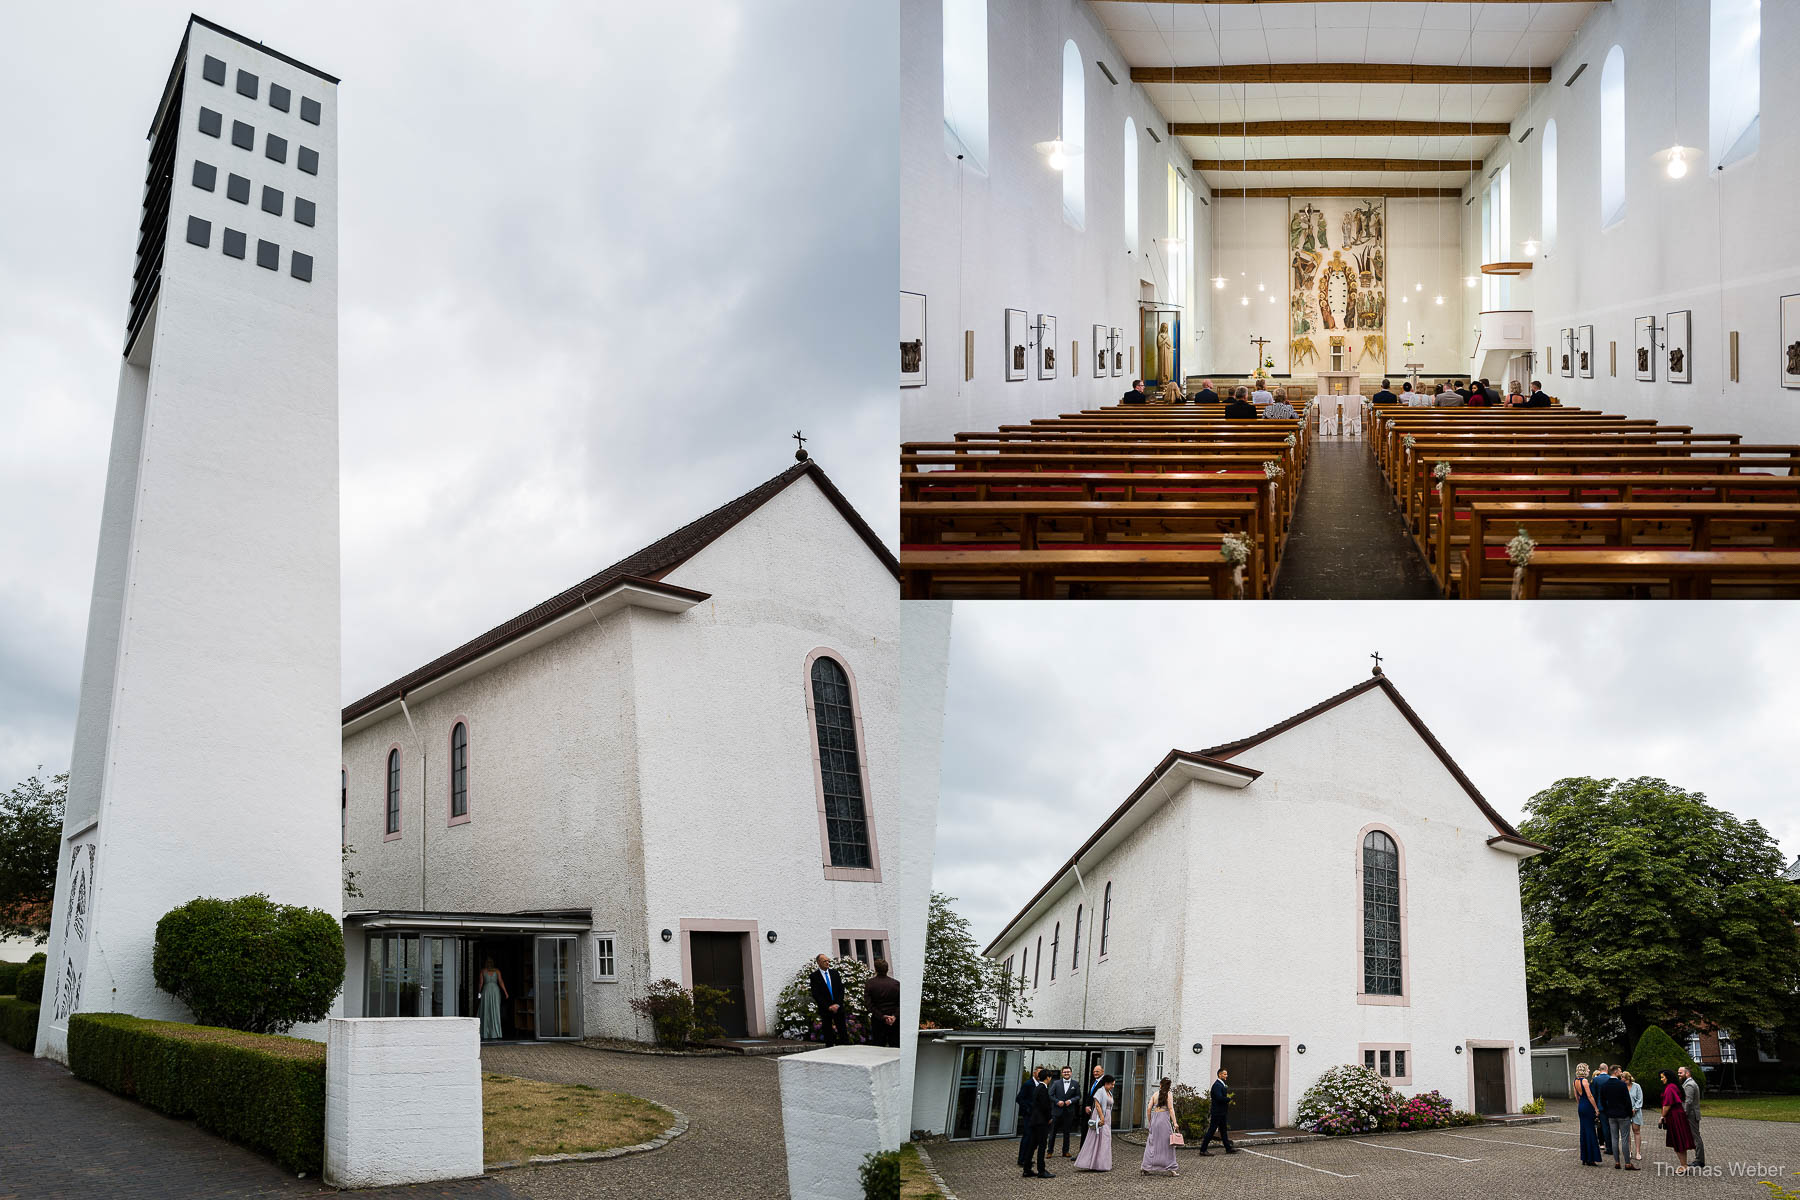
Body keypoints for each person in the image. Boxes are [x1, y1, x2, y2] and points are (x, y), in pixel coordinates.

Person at [1597, 1064, 1636, 1169]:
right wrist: (1629, 1112)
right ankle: (1627, 1163)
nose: (1621, 1072)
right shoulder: (1622, 1085)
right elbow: (1627, 1101)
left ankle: (1617, 1162)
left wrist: (1607, 1110)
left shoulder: (1605, 1085)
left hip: (1611, 1115)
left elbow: (1602, 1100)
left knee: (1614, 1138)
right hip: (1623, 1115)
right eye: (1619, 1071)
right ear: (1615, 1072)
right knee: (1624, 1138)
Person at [1073, 1074, 1115, 1171]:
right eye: (1112, 1084)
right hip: (1100, 1116)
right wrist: (1102, 1118)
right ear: (1106, 1083)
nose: (1113, 1086)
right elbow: (1097, 1105)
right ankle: (1091, 1162)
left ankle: (1101, 1163)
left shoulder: (1109, 1093)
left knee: (1105, 1139)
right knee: (1097, 1138)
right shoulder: (1100, 1091)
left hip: (1108, 1117)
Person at [1140, 1076, 1180, 1176]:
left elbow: (1149, 1109)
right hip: (1164, 1120)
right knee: (1167, 1144)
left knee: (1152, 1143)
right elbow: (1171, 1109)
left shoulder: (1155, 1094)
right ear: (1169, 1086)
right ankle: (1171, 1168)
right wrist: (1175, 1123)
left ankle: (1145, 1167)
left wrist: (1150, 1122)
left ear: (1160, 1085)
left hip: (1155, 1119)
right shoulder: (1169, 1094)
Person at [1019, 1067, 1054, 1178]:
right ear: (1048, 1078)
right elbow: (1045, 1106)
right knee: (1042, 1145)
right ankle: (1041, 1170)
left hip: (1034, 1120)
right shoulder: (1043, 1089)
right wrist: (1049, 1117)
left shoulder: (1037, 1087)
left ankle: (1027, 1168)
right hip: (1041, 1121)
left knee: (1032, 1145)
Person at [808, 954, 849, 1046]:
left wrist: (837, 1004)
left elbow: (840, 990)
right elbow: (816, 994)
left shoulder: (835, 973)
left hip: (838, 1007)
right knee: (828, 1032)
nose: (827, 963)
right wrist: (828, 1007)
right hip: (826, 1009)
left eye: (828, 961)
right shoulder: (814, 976)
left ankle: (846, 1049)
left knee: (842, 1030)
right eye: (824, 961)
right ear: (818, 963)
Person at [1659, 1068, 1695, 1173]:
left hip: (1675, 1116)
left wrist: (1662, 1116)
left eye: (1662, 1077)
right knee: (1680, 1140)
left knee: (1678, 1140)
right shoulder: (1674, 1086)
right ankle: (1684, 1164)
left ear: (1668, 1077)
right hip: (1678, 1115)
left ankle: (1683, 1165)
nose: (1661, 1080)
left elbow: (1667, 1104)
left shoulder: (1670, 1088)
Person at [863, 957, 900, 1047]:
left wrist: (882, 1016)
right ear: (887, 969)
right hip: (894, 1020)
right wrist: (894, 1016)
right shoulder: (895, 984)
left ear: (876, 969)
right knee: (895, 1046)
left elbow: (868, 1004)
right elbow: (901, 1003)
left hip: (878, 1020)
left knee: (879, 1048)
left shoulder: (870, 983)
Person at [1198, 1067, 1236, 1154]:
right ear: (1220, 1075)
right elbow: (1219, 1098)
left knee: (1223, 1131)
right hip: (1217, 1112)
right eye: (1225, 1074)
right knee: (1211, 1131)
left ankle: (1228, 1148)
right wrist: (1228, 1099)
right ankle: (1203, 1150)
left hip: (1222, 1112)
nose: (1226, 1075)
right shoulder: (1217, 1085)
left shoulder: (1221, 1084)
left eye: (1226, 1074)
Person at [1049, 1066, 1082, 1158]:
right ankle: (1050, 1151)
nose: (1066, 1073)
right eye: (1064, 1072)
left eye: (1068, 1072)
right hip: (1057, 1111)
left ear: (1071, 1073)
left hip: (1069, 1111)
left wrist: (1070, 1101)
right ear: (1062, 1073)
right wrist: (1057, 1101)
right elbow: (1050, 1095)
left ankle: (1065, 1151)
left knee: (1067, 1132)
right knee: (1053, 1132)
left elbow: (1078, 1096)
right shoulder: (1056, 1083)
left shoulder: (1075, 1084)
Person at [1573, 1063, 1602, 1165]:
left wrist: (1580, 1105)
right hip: (1588, 1106)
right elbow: (1590, 1096)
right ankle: (1591, 1158)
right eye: (1588, 1069)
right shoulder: (1584, 1081)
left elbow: (1576, 1096)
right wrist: (1596, 1108)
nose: (1589, 1070)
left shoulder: (1575, 1081)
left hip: (1581, 1106)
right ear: (1584, 1070)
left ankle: (1585, 1157)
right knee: (1590, 1131)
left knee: (1584, 1131)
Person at [1679, 1066, 1706, 1168]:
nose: (1679, 1075)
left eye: (1681, 1073)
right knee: (1694, 1136)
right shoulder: (1688, 1083)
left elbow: (1688, 1101)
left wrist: (1684, 1114)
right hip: (1691, 1114)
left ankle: (1699, 1160)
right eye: (1678, 1073)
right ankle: (1699, 1158)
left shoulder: (1689, 1085)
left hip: (1691, 1115)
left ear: (1687, 1074)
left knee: (1695, 1137)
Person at [478, 957, 508, 1040]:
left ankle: (486, 1033)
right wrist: (506, 993)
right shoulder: (497, 971)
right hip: (495, 991)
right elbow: (501, 981)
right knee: (495, 1010)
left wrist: (479, 994)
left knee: (486, 1010)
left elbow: (481, 983)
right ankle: (496, 1032)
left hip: (486, 991)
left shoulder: (483, 971)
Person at [1622, 1070, 1645, 1164]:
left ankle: (1638, 1152)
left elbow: (1640, 1099)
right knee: (1626, 1133)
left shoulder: (1637, 1086)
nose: (1624, 1082)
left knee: (1636, 1131)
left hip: (1636, 1112)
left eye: (1625, 1080)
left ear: (1629, 1079)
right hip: (1625, 1112)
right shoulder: (1622, 1086)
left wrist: (1635, 1109)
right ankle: (1629, 1151)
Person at [1592, 1063, 1613, 1154]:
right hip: (1612, 1106)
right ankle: (1614, 1147)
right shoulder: (1611, 1078)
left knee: (1605, 1127)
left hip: (1601, 1107)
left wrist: (1595, 1108)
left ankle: (1608, 1147)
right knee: (1613, 1127)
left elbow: (1594, 1095)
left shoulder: (1595, 1080)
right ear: (1607, 1069)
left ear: (1599, 1069)